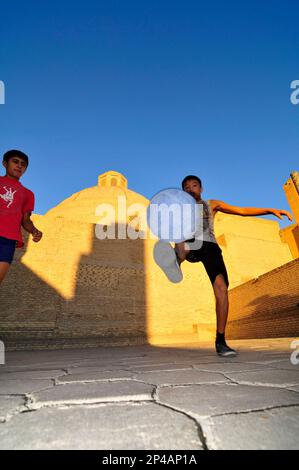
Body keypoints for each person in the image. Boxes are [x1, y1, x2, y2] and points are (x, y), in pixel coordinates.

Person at [154, 175, 293, 357]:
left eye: (194, 185)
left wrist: (268, 209)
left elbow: (242, 210)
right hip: (189, 245)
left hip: (210, 247)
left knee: (221, 290)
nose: (190, 189)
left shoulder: (212, 204)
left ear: (201, 189)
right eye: (186, 187)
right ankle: (176, 261)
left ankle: (221, 341)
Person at [0, 150, 43, 285]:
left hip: (8, 241)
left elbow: (25, 220)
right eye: (15, 162)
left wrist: (34, 231)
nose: (19, 166)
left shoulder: (28, 194)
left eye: (23, 164)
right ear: (5, 163)